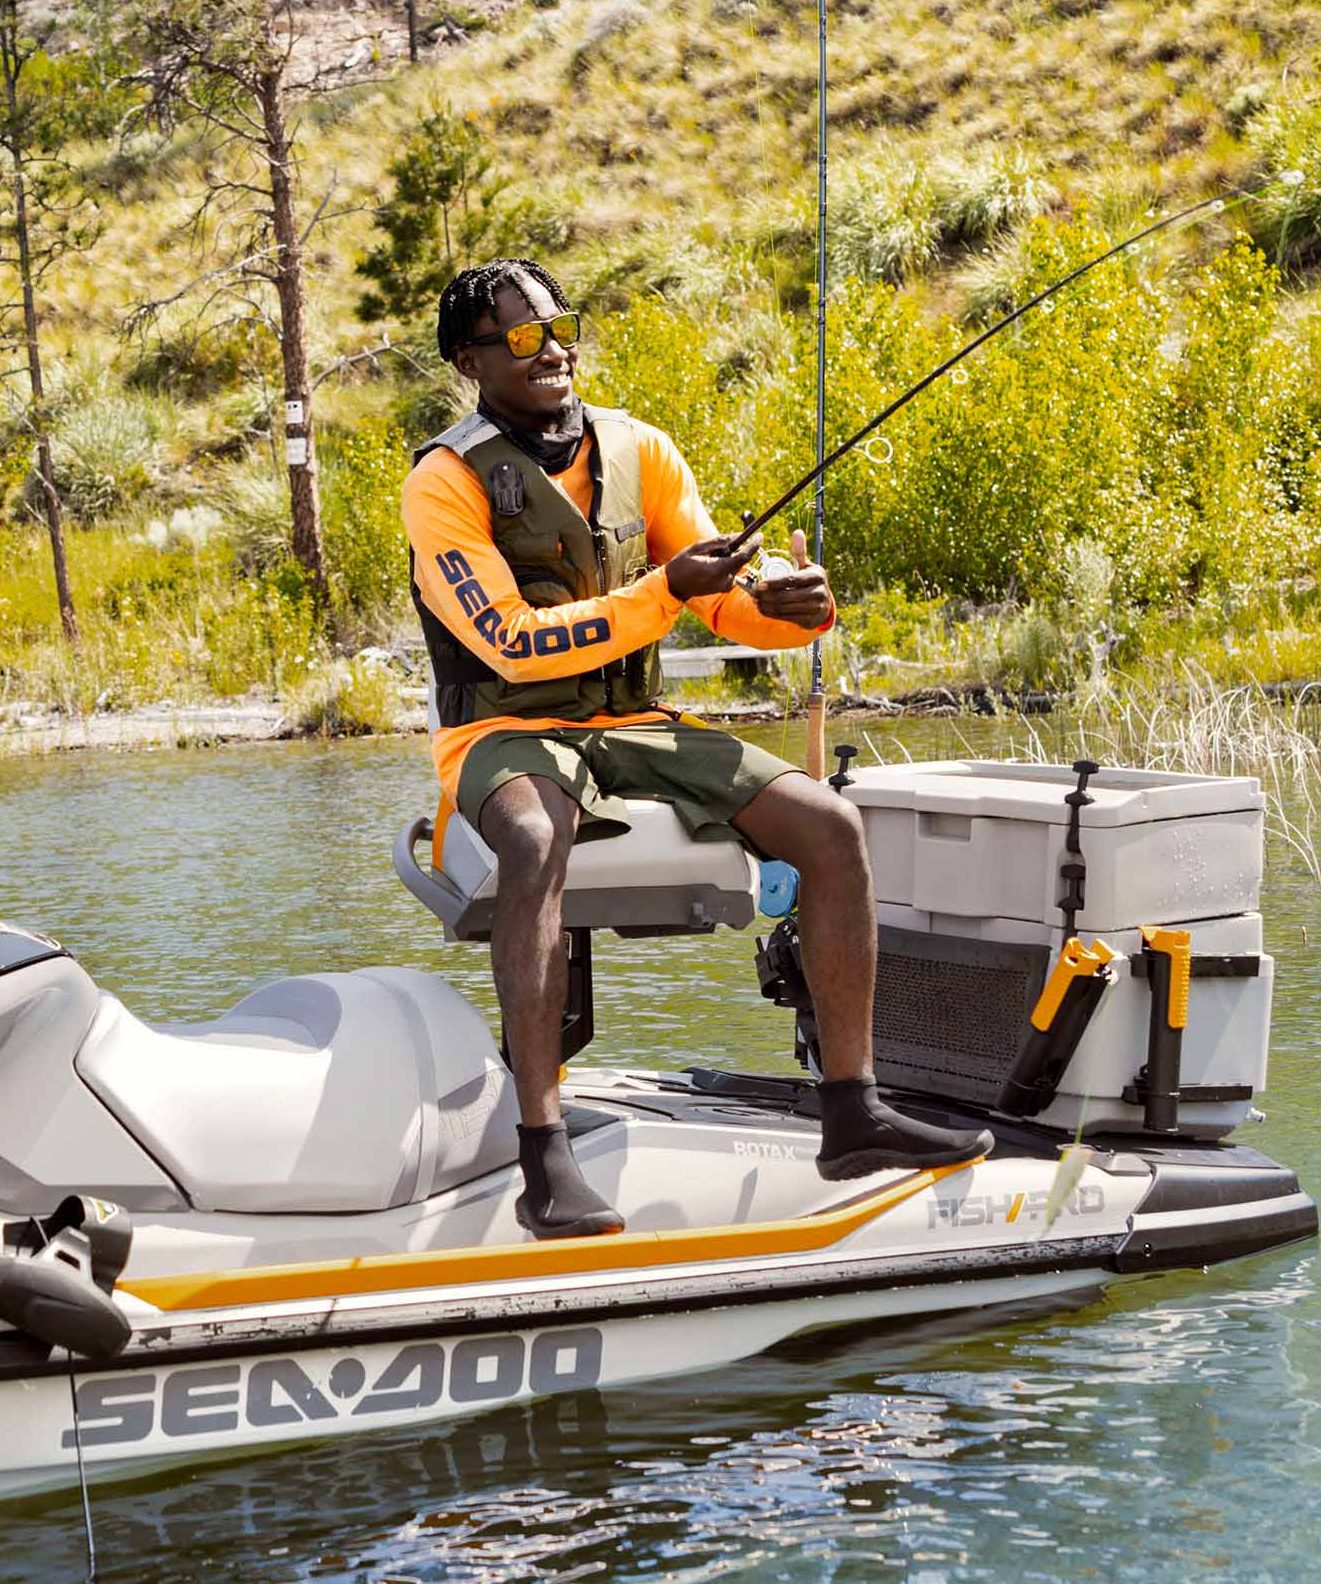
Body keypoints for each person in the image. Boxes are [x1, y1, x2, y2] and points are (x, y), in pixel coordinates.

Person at [404, 257, 993, 1240]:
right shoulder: (445, 481)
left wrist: (792, 613)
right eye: (519, 336)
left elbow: (719, 592)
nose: (551, 348)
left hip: (638, 726)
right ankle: (543, 1154)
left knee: (831, 826)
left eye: (560, 327)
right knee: (536, 840)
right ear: (471, 360)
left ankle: (852, 1112)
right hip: (502, 730)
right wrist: (666, 592)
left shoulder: (643, 451)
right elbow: (504, 637)